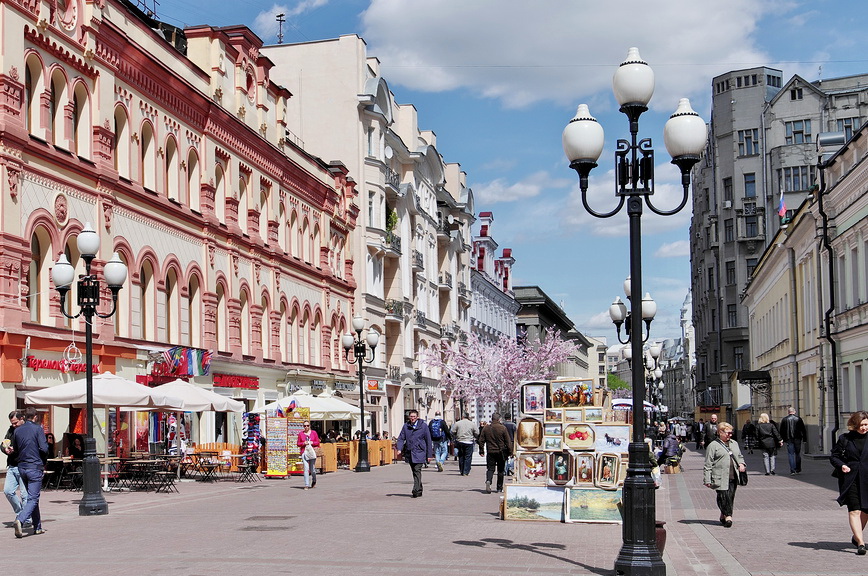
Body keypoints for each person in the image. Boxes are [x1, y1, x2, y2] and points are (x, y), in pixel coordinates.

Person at [830, 410, 868, 555]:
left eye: (866, 425)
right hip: (850, 478)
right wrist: (842, 465)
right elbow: (834, 456)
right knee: (854, 510)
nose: (864, 428)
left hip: (867, 479)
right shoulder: (845, 438)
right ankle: (861, 543)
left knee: (865, 511)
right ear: (854, 424)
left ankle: (855, 537)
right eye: (861, 425)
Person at [12, 407, 48, 538]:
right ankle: (20, 520)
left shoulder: (17, 431)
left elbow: (15, 449)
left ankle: (37, 527)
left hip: (22, 467)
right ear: (35, 417)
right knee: (33, 498)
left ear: (24, 417)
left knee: (33, 497)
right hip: (34, 467)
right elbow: (44, 448)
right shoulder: (38, 428)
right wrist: (43, 460)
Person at [703, 421, 746, 528]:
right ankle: (729, 517)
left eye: (731, 433)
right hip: (719, 476)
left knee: (730, 496)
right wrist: (707, 479)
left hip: (733, 475)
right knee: (722, 496)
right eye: (727, 433)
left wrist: (741, 463)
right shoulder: (713, 445)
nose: (730, 435)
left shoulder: (734, 443)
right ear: (720, 432)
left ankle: (723, 515)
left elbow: (739, 456)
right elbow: (708, 464)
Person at [396, 410, 432, 498]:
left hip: (420, 452)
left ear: (417, 417)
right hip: (410, 452)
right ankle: (419, 489)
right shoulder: (406, 426)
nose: (412, 418)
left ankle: (415, 490)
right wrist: (399, 448)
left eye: (414, 417)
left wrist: (429, 455)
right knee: (414, 471)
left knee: (417, 470)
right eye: (411, 416)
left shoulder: (423, 426)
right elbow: (401, 438)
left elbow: (428, 440)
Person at [477, 413, 512, 494]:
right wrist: (510, 452)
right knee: (500, 470)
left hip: (490, 451)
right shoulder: (502, 428)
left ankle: (488, 480)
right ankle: (499, 488)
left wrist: (481, 450)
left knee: (490, 469)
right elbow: (508, 441)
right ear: (499, 419)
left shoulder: (486, 428)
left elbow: (481, 440)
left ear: (492, 419)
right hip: (501, 452)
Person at [3, 410, 27, 518]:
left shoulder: (27, 430)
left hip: (23, 465)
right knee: (8, 491)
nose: (14, 425)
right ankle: (20, 513)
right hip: (12, 466)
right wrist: (5, 449)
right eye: (12, 423)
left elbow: (28, 447)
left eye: (15, 422)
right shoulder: (11, 430)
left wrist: (15, 450)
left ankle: (26, 519)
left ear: (22, 419)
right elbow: (4, 443)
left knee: (24, 495)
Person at [780, 406, 808, 475]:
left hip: (789, 439)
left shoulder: (784, 419)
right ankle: (798, 469)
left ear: (788, 412)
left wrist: (782, 439)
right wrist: (805, 439)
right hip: (797, 438)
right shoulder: (798, 419)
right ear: (794, 412)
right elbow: (803, 429)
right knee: (798, 453)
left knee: (790, 454)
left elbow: (781, 430)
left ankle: (792, 470)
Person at [296, 421, 320, 490]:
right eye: (304, 426)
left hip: (312, 452)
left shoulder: (314, 433)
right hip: (304, 452)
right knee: (306, 468)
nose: (306, 427)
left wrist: (312, 442)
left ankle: (314, 479)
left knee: (312, 469)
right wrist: (303, 443)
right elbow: (298, 443)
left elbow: (317, 442)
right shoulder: (301, 434)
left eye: (307, 425)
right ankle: (306, 484)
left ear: (310, 426)